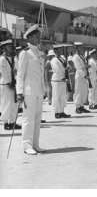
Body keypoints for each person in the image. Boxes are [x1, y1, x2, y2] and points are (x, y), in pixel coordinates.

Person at [16, 25, 46, 155]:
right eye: (37, 35)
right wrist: (19, 92)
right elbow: (20, 75)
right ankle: (27, 145)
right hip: (28, 92)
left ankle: (35, 144)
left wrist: (44, 90)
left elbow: (41, 75)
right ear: (30, 37)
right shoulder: (25, 53)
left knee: (37, 118)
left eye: (39, 35)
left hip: (38, 91)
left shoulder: (39, 53)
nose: (39, 38)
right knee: (28, 119)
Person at [0, 39, 21, 130]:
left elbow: (18, 70)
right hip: (6, 84)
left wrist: (15, 80)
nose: (11, 48)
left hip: (14, 83)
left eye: (11, 46)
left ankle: (12, 122)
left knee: (14, 104)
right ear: (4, 48)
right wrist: (9, 82)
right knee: (6, 104)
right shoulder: (2, 59)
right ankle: (6, 123)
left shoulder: (13, 58)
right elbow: (3, 72)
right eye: (9, 47)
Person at [51, 45, 71, 119]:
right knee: (57, 97)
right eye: (57, 50)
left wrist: (68, 67)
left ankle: (62, 111)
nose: (59, 51)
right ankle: (57, 112)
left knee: (62, 97)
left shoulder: (62, 58)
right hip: (57, 80)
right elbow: (57, 70)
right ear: (55, 51)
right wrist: (64, 72)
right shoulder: (54, 60)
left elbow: (67, 65)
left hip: (63, 80)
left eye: (60, 50)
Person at [72, 42, 90, 114]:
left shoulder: (81, 56)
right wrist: (84, 73)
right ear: (77, 48)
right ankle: (77, 107)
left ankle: (82, 106)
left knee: (84, 91)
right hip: (80, 75)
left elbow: (84, 65)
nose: (81, 48)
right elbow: (78, 67)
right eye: (80, 47)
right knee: (78, 91)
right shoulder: (75, 57)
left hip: (84, 75)